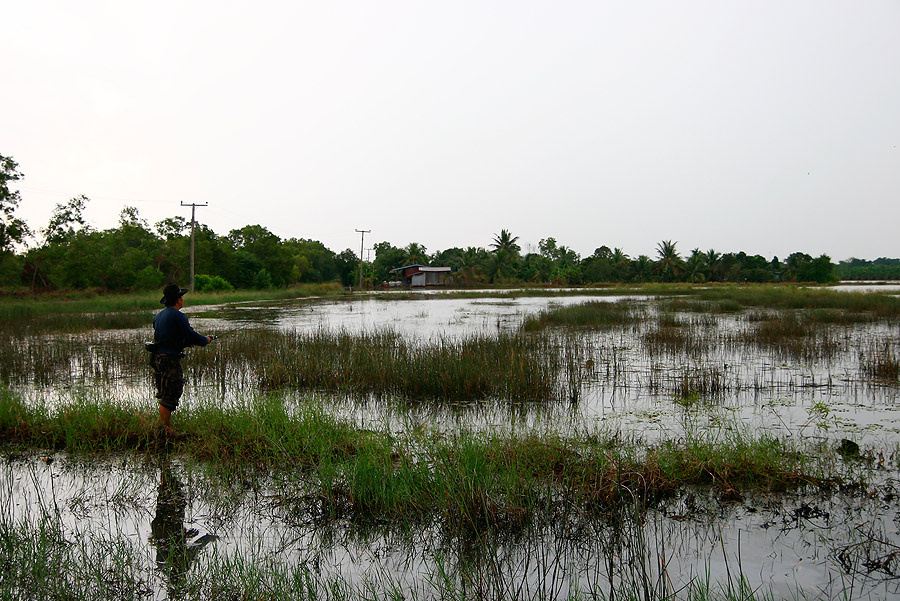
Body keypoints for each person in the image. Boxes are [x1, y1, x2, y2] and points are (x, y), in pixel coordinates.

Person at [151, 283, 213, 437]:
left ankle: (164, 428)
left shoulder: (159, 316)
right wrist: (205, 340)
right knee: (171, 393)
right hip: (169, 360)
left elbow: (165, 338)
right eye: (182, 296)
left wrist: (184, 343)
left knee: (166, 391)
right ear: (178, 299)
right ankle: (165, 430)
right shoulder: (178, 316)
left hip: (159, 358)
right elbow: (191, 335)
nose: (183, 299)